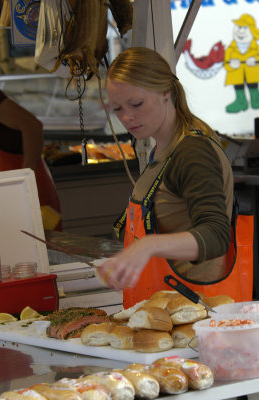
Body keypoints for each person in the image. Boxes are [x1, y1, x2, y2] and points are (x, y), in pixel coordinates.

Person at [97, 46, 243, 308]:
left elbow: (216, 234)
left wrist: (149, 246)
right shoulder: (163, 150)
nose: (127, 117)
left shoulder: (192, 151)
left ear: (166, 93)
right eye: (117, 108)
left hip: (198, 312)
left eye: (137, 104)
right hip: (164, 307)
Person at [0, 84, 62, 230]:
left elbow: (32, 126)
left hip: (28, 193)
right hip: (4, 199)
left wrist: (25, 179)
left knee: (42, 249)